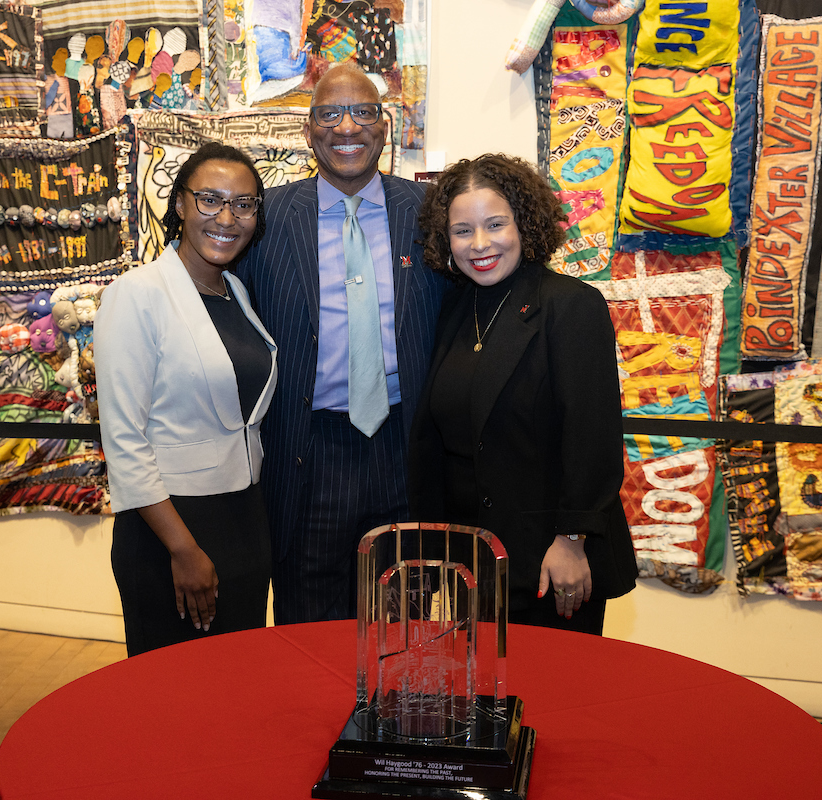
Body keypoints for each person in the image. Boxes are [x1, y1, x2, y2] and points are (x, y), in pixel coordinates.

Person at [237, 62, 448, 624]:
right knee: (309, 626)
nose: (347, 127)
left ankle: (397, 717)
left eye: (362, 112)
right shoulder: (266, 219)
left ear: (385, 127)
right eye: (329, 114)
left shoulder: (429, 214)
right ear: (307, 132)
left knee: (405, 624)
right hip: (308, 453)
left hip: (404, 449)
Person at [408, 153, 636, 634]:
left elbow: (592, 436)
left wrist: (571, 540)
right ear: (445, 239)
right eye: (463, 230)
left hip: (551, 560)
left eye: (496, 224)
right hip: (475, 561)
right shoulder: (452, 308)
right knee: (487, 701)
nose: (480, 244)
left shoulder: (571, 305)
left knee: (554, 704)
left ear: (525, 225)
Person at [95, 143, 277, 656]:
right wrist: (183, 548)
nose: (227, 217)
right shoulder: (138, 294)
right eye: (210, 200)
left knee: (236, 687)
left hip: (242, 520)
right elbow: (124, 439)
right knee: (173, 701)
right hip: (170, 530)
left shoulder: (236, 293)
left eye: (243, 204)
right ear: (179, 205)